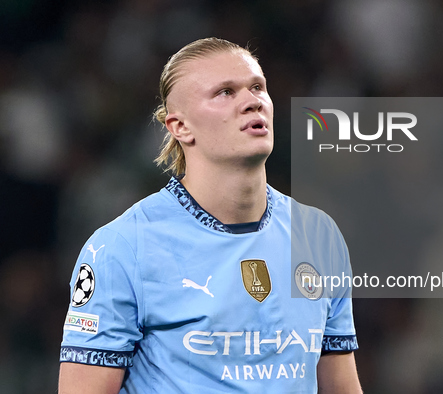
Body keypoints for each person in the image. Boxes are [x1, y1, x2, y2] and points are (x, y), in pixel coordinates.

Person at [58, 37, 362, 393]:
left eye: (257, 87)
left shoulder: (317, 235)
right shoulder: (122, 248)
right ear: (180, 127)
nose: (252, 102)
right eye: (225, 92)